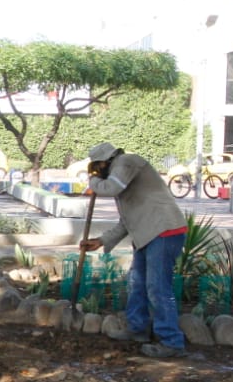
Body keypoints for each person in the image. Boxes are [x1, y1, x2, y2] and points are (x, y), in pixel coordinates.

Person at [80, 141, 186, 359]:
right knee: (137, 283)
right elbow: (126, 221)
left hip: (163, 230)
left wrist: (93, 181)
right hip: (149, 233)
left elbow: (111, 187)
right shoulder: (124, 177)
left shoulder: (126, 162)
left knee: (157, 287)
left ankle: (172, 342)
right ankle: (138, 329)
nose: (97, 172)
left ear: (106, 161)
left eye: (97, 167)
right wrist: (101, 241)